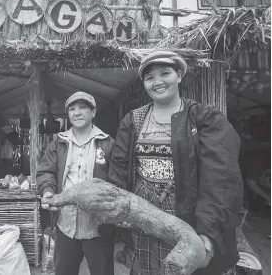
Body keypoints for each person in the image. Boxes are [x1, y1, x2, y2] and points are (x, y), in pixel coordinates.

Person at [108, 51, 243, 275]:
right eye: (150, 77)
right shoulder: (133, 120)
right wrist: (121, 210)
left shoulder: (203, 117)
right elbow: (119, 168)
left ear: (179, 76)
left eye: (165, 73)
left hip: (188, 213)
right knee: (147, 268)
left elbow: (221, 178)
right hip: (144, 214)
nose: (157, 82)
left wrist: (207, 231)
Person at [37, 92, 116, 275]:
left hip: (98, 228)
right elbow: (46, 171)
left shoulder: (107, 143)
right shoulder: (58, 142)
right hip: (66, 226)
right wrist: (48, 190)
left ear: (93, 112)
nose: (77, 112)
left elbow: (116, 180)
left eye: (83, 108)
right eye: (72, 109)